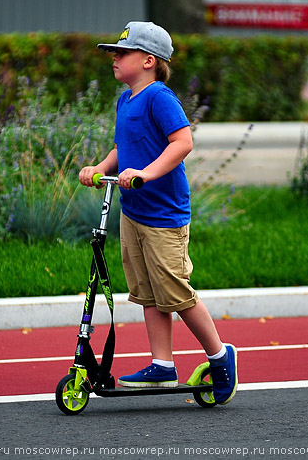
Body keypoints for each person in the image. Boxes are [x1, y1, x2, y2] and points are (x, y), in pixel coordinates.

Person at [78, 21, 237, 405]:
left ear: (149, 61)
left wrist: (146, 174)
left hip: (164, 215)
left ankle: (220, 357)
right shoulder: (125, 100)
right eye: (113, 52)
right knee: (146, 292)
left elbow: (183, 142)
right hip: (133, 213)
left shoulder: (159, 97)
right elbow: (124, 147)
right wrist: (101, 167)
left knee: (176, 292)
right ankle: (162, 366)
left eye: (122, 52)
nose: (114, 58)